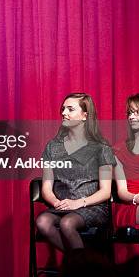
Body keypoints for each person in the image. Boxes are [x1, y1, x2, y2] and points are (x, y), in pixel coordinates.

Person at [36, 93, 116, 251]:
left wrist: (79, 202)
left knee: (67, 223)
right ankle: (80, 264)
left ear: (85, 116)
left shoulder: (101, 147)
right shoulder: (52, 147)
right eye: (63, 109)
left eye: (70, 109)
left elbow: (106, 192)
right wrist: (55, 202)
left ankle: (79, 268)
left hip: (91, 206)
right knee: (42, 222)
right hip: (63, 206)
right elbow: (46, 187)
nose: (64, 113)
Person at [113, 93, 139, 251]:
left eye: (138, 112)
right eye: (130, 112)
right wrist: (138, 197)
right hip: (131, 205)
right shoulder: (118, 150)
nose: (131, 116)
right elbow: (122, 192)